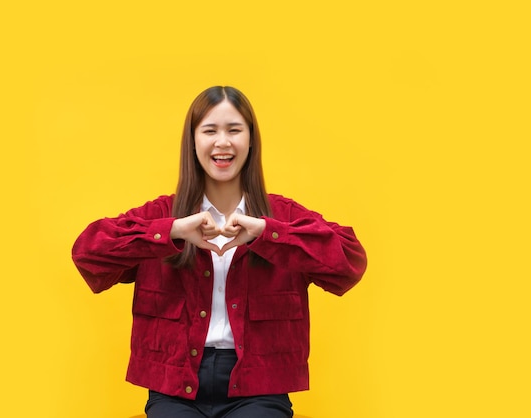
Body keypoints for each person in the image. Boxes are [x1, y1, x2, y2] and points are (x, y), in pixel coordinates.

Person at [71, 86, 367, 418]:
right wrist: (171, 231)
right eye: (210, 130)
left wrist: (268, 233)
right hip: (173, 389)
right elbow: (87, 253)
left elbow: (350, 262)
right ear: (193, 142)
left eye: (234, 130)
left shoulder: (282, 216)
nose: (222, 142)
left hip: (260, 390)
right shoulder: (162, 214)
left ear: (251, 141)